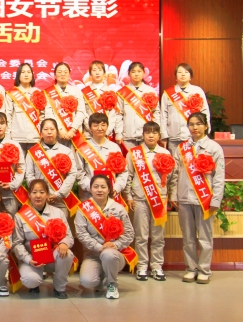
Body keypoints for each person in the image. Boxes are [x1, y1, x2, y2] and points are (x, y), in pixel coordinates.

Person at [170, 112, 225, 284]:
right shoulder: (182, 148)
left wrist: (216, 199)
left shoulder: (214, 148)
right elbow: (175, 174)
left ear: (206, 126)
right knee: (188, 238)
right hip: (184, 198)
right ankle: (191, 269)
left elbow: (219, 176)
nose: (195, 127)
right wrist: (174, 194)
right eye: (191, 124)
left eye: (199, 124)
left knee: (205, 238)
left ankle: (204, 270)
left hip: (205, 199)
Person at [125, 121, 176, 282]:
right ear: (143, 135)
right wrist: (129, 197)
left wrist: (171, 196)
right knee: (141, 235)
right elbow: (128, 176)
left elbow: (172, 178)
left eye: (154, 132)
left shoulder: (165, 153)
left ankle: (156, 266)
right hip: (140, 199)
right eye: (148, 132)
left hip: (159, 199)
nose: (151, 135)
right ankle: (142, 266)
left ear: (159, 135)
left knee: (158, 236)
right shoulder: (134, 153)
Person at [12, 179, 75, 299]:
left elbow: (69, 236)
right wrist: (28, 259)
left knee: (67, 254)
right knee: (31, 280)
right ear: (29, 194)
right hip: (32, 258)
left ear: (47, 194)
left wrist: (64, 243)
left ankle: (59, 287)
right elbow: (16, 243)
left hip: (52, 256)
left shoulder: (58, 213)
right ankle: (35, 283)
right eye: (34, 192)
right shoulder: (20, 216)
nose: (38, 196)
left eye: (42, 192)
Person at [76, 175, 135, 299]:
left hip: (114, 254)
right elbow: (81, 234)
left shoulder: (119, 208)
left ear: (109, 190)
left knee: (108, 254)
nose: (99, 190)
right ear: (90, 189)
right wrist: (99, 247)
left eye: (103, 187)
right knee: (87, 281)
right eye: (96, 186)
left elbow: (129, 233)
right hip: (93, 255)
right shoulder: (83, 209)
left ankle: (112, 283)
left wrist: (115, 245)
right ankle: (102, 276)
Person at [25, 119, 79, 218]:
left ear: (57, 132)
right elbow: (29, 175)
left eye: (52, 129)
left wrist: (59, 194)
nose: (49, 132)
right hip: (38, 199)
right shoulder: (33, 152)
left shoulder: (66, 151)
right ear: (41, 133)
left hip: (60, 200)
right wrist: (40, 193)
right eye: (46, 129)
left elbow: (72, 174)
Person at [76, 113, 128, 206]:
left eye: (103, 125)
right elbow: (79, 174)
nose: (100, 128)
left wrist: (116, 188)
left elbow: (123, 172)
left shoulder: (115, 147)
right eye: (96, 125)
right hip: (89, 197)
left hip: (111, 195)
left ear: (107, 126)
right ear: (90, 128)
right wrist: (93, 188)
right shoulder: (82, 148)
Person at [161, 63, 211, 156]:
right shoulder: (167, 93)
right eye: (180, 72)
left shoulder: (197, 91)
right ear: (176, 76)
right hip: (174, 137)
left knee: (193, 162)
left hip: (193, 137)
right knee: (176, 163)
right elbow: (163, 116)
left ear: (190, 76)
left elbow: (205, 112)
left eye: (186, 72)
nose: (183, 74)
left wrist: (206, 131)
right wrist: (164, 136)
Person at [115, 61, 160, 149]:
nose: (136, 74)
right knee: (130, 158)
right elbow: (119, 114)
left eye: (139, 71)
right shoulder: (122, 92)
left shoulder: (150, 91)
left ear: (144, 73)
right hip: (128, 136)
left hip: (147, 136)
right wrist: (118, 133)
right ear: (129, 74)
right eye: (133, 71)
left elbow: (156, 113)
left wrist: (156, 132)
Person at [43, 62, 86, 148]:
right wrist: (59, 130)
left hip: (75, 134)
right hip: (57, 134)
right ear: (55, 75)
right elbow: (49, 114)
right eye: (59, 72)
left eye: (65, 72)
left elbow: (81, 112)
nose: (63, 74)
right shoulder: (48, 93)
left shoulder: (76, 91)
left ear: (69, 75)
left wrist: (73, 130)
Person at [6, 63, 45, 153]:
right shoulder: (12, 93)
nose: (26, 74)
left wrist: (43, 133)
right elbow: (8, 116)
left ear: (32, 75)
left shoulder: (38, 93)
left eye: (29, 72)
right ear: (18, 75)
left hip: (35, 137)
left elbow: (43, 115)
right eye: (23, 72)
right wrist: (8, 135)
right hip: (17, 137)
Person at [82, 61, 120, 140]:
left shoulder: (111, 91)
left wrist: (106, 131)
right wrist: (92, 129)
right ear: (90, 74)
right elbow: (83, 114)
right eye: (94, 70)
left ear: (104, 73)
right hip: (89, 135)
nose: (97, 73)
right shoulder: (83, 92)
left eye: (100, 70)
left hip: (107, 135)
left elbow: (113, 115)